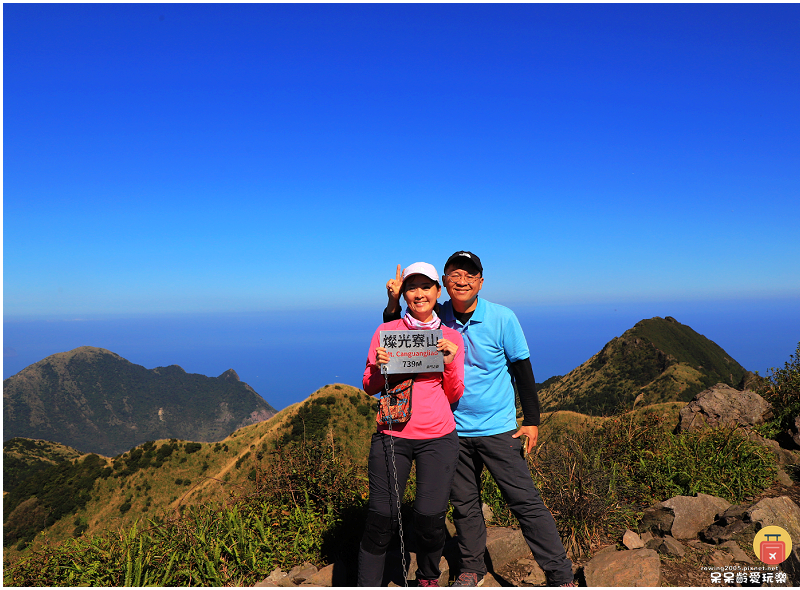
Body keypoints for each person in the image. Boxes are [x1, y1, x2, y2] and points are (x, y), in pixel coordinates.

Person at [383, 251, 575, 587]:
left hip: (499, 429)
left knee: (525, 502)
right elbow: (396, 336)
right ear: (444, 283)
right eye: (455, 275)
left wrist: (532, 420)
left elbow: (522, 370)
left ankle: (560, 576)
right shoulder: (436, 316)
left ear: (481, 282)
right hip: (452, 429)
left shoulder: (502, 318)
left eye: (470, 275)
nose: (462, 280)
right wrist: (394, 301)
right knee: (464, 505)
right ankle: (471, 569)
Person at [359, 262, 465, 587]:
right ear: (403, 294)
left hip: (438, 437)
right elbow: (369, 385)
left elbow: (454, 393)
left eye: (426, 286)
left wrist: (449, 363)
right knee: (380, 522)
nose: (419, 294)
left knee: (430, 521)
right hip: (392, 435)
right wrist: (379, 368)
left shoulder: (450, 338)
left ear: (438, 291)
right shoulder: (387, 333)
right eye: (411, 287)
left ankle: (428, 577)